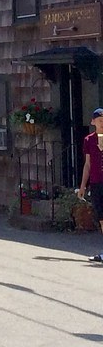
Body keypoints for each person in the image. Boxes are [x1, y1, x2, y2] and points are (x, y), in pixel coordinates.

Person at [76, 107, 103, 262]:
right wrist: (82, 186)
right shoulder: (89, 140)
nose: (102, 124)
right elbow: (87, 164)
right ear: (93, 122)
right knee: (101, 217)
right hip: (96, 182)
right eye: (99, 121)